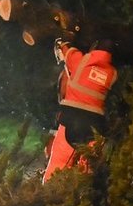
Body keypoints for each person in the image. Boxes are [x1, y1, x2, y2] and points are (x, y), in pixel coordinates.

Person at [43, 38, 117, 182]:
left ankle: (47, 196)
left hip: (71, 120)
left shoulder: (81, 61)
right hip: (94, 126)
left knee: (58, 165)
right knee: (87, 171)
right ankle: (84, 199)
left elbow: (65, 49)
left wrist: (61, 43)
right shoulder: (112, 73)